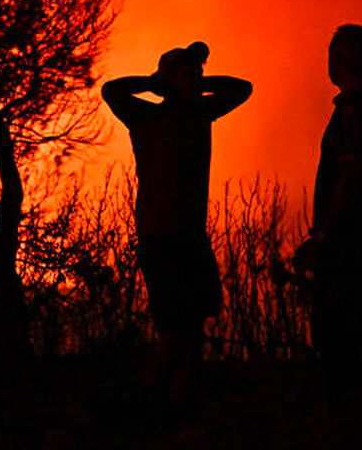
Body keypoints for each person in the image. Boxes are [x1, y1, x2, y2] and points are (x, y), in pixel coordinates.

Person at [101, 41, 251, 402]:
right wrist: (155, 82)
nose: (196, 76)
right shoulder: (145, 115)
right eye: (189, 70)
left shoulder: (201, 112)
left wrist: (194, 81)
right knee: (175, 327)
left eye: (198, 72)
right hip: (159, 236)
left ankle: (181, 400)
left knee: (194, 322)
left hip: (192, 235)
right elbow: (111, 89)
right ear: (167, 77)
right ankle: (149, 397)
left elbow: (242, 88)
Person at [299, 23, 362, 390]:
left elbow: (351, 176)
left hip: (350, 246)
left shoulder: (356, 111)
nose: (329, 60)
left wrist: (324, 235)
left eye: (334, 52)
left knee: (340, 339)